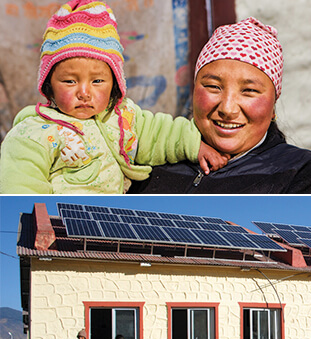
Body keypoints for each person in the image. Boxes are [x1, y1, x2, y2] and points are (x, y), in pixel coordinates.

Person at [0, 0, 227, 194]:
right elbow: (19, 185)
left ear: (115, 84)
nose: (84, 92)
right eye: (70, 81)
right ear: (48, 85)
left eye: (97, 81)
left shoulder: (122, 116)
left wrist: (195, 145)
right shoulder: (33, 133)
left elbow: (159, 133)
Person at [128, 17, 311, 194]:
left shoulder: (302, 173)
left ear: (273, 106)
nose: (227, 109)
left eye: (249, 91)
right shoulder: (146, 154)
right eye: (213, 86)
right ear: (194, 91)